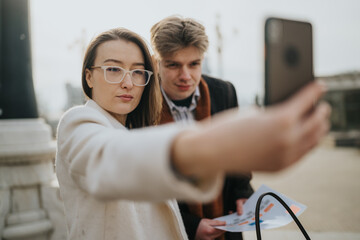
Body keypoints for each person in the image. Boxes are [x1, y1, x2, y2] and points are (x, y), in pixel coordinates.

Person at [55, 27, 330, 240]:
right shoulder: (78, 123)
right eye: (113, 69)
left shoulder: (130, 128)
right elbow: (106, 161)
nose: (128, 82)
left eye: (138, 72)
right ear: (89, 76)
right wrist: (222, 145)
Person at [150, 15, 253, 240]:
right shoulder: (142, 106)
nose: (186, 76)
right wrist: (190, 226)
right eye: (173, 65)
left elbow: (236, 151)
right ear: (156, 62)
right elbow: (145, 186)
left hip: (227, 223)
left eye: (194, 64)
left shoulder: (224, 92)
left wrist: (242, 192)